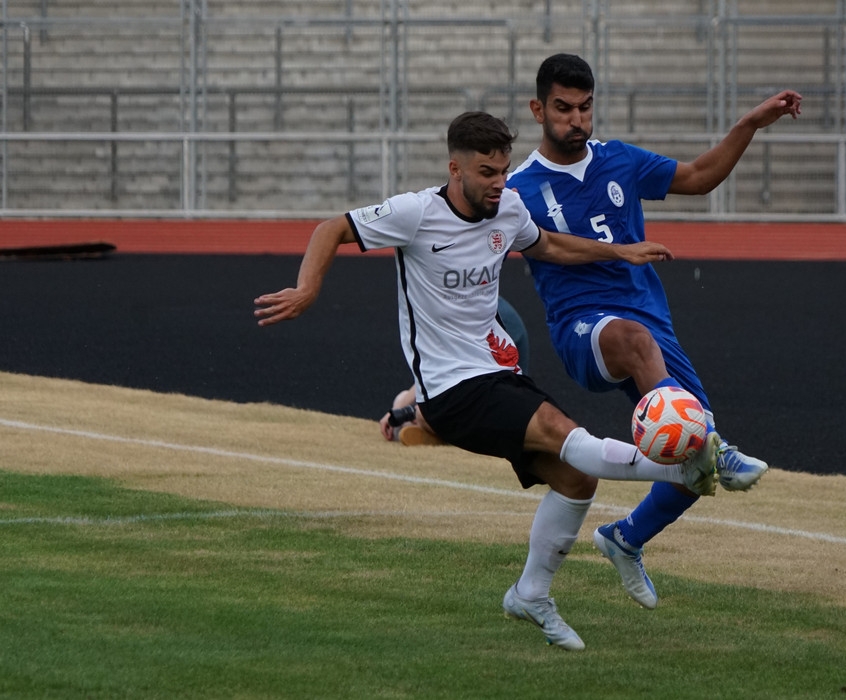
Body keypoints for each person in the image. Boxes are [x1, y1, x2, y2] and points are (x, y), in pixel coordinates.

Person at [253, 111, 720, 651]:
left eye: (502, 170)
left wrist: (620, 251)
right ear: (456, 169)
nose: (499, 182)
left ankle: (531, 594)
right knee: (566, 434)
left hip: (498, 375)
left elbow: (550, 245)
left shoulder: (510, 208)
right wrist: (307, 289)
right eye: (486, 172)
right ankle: (683, 464)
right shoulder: (416, 213)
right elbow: (330, 229)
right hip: (450, 389)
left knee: (575, 479)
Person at [506, 54, 802, 610]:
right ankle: (717, 446)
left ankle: (627, 537)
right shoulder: (519, 189)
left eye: (585, 108)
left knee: (693, 460)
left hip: (650, 324)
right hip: (582, 329)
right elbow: (522, 248)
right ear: (538, 110)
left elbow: (699, 177)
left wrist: (748, 125)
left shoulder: (618, 159)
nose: (576, 120)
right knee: (668, 387)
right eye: (563, 108)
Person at [378, 296, 529, 446]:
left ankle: (442, 434)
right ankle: (439, 432)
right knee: (405, 400)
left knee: (423, 412)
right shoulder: (475, 308)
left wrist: (399, 410)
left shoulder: (486, 316)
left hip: (497, 402)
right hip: (480, 395)